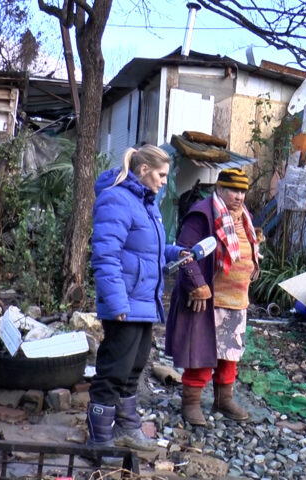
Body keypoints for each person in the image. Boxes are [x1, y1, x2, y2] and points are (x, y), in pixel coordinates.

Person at [87, 144, 184, 451]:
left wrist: (175, 252)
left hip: (144, 303)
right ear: (144, 170)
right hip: (125, 304)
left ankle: (126, 430)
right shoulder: (115, 199)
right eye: (161, 174)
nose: (164, 181)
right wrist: (115, 303)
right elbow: (106, 256)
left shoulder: (147, 203)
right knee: (113, 372)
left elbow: (147, 249)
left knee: (133, 369)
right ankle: (99, 439)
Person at [166, 167, 260, 426]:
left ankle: (223, 398)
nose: (239, 196)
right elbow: (184, 252)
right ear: (219, 188)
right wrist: (197, 284)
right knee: (201, 350)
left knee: (230, 352)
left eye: (242, 191)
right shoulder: (202, 214)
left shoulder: (244, 216)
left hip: (236, 299)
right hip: (208, 298)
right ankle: (192, 402)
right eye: (233, 190)